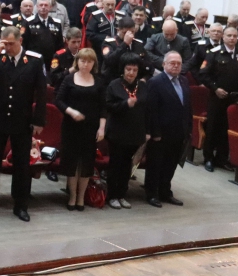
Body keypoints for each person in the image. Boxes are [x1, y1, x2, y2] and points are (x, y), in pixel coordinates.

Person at [0, 26, 46, 222]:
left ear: (20, 41)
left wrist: (39, 120)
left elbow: (41, 93)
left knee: (22, 165)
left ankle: (21, 205)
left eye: (11, 44)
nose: (7, 47)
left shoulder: (33, 60)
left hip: (21, 120)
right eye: (4, 43)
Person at [54, 48, 105, 211]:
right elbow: (59, 100)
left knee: (86, 164)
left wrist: (102, 128)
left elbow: (103, 108)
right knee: (72, 163)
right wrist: (71, 111)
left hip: (90, 128)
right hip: (71, 127)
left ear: (93, 64)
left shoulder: (98, 81)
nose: (85, 64)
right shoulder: (69, 79)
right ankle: (72, 196)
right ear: (77, 62)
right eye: (82, 61)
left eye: (89, 61)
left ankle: (81, 197)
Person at [144, 52, 193, 207]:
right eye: (172, 63)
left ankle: (165, 192)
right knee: (156, 164)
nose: (176, 65)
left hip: (179, 132)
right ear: (164, 64)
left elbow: (187, 108)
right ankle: (152, 193)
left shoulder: (184, 81)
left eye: (178, 63)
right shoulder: (155, 82)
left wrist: (188, 129)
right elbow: (151, 110)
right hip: (161, 133)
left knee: (171, 164)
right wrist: (155, 132)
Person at [199, 27, 238, 172]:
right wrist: (215, 88)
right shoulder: (214, 53)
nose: (232, 38)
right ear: (223, 37)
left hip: (233, 98)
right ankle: (208, 158)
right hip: (217, 97)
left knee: (227, 129)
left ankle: (222, 158)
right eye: (229, 35)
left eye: (235, 36)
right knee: (213, 128)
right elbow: (203, 74)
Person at [104, 54, 148, 209]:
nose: (131, 72)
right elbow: (108, 107)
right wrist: (125, 104)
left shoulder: (142, 86)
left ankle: (122, 194)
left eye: (134, 70)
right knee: (115, 165)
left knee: (127, 166)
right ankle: (112, 195)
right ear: (123, 70)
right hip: (117, 132)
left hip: (135, 133)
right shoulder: (114, 85)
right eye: (128, 69)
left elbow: (146, 109)